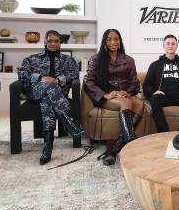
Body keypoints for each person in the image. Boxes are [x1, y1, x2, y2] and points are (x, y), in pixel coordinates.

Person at [18, 30, 84, 165]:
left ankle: (48, 147)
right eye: (50, 41)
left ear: (60, 43)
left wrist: (58, 80)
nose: (53, 44)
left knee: (48, 100)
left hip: (55, 95)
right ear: (45, 42)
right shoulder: (31, 59)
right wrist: (41, 78)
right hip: (36, 92)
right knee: (49, 85)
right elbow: (22, 74)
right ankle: (68, 123)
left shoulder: (68, 60)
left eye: (56, 41)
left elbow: (74, 75)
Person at [84, 29, 144, 166]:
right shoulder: (96, 59)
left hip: (124, 94)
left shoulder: (129, 60)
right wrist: (105, 94)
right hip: (107, 97)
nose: (113, 42)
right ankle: (131, 146)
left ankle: (113, 150)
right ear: (105, 42)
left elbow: (134, 82)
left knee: (140, 104)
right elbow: (88, 81)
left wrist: (128, 92)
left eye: (116, 39)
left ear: (120, 41)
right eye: (109, 39)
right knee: (125, 103)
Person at [143, 35, 179, 133]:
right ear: (164, 46)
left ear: (176, 46)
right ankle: (164, 132)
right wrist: (154, 92)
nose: (170, 46)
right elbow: (147, 84)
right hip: (163, 96)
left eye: (173, 44)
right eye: (168, 43)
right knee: (154, 99)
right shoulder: (155, 65)